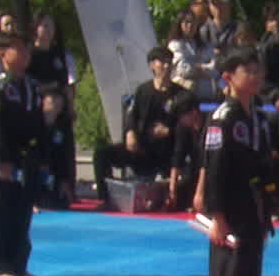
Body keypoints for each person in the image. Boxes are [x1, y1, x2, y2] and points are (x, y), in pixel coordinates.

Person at [203, 48, 276, 276]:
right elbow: (215, 168)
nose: (256, 76)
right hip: (231, 208)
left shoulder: (258, 117)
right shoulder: (224, 118)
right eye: (248, 70)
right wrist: (217, 217)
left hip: (254, 206)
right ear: (229, 77)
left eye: (258, 70)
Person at [0, 30, 43, 276]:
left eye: (27, 48)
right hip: (4, 158)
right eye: (19, 48)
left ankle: (18, 264)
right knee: (2, 212)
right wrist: (0, 161)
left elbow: (38, 124)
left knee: (23, 212)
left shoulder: (31, 86)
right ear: (3, 54)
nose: (25, 54)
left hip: (26, 157)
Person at [93, 46, 183, 204]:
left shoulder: (181, 94)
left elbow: (188, 126)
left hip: (166, 153)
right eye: (162, 62)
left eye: (169, 62)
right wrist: (130, 133)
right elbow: (132, 117)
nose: (166, 66)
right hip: (141, 148)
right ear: (152, 65)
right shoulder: (143, 90)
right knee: (102, 154)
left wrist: (170, 131)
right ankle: (106, 199)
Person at [36, 85, 75, 209]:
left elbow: (61, 156)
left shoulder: (60, 128)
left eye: (59, 104)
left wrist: (64, 180)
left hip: (51, 173)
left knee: (61, 203)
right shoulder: (33, 123)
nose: (55, 107)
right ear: (43, 102)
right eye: (52, 102)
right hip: (33, 170)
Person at [165, 94, 204, 212]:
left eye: (182, 116)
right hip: (194, 172)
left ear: (194, 112)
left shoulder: (210, 126)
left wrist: (199, 192)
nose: (180, 120)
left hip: (212, 174)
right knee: (177, 197)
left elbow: (208, 163)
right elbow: (178, 157)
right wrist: (172, 189)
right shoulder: (182, 128)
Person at [167, 9, 217, 98]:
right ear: (180, 24)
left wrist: (199, 67)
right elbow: (183, 69)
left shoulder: (205, 46)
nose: (190, 26)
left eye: (193, 22)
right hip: (184, 93)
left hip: (205, 93)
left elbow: (215, 68)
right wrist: (203, 67)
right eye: (186, 22)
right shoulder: (175, 45)